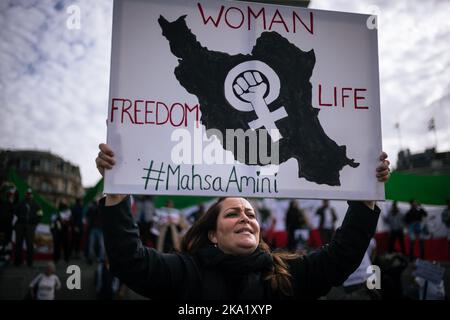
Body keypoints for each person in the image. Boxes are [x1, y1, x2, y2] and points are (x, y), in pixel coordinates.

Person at [95, 143, 390, 299]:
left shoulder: (285, 273)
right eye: (233, 213)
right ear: (212, 234)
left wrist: (365, 197)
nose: (246, 218)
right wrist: (118, 193)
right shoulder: (187, 272)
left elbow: (342, 257)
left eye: (250, 213)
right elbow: (129, 262)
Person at [14, 188, 43, 267]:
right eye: (27, 194)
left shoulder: (36, 204)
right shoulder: (20, 203)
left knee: (30, 245)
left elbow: (40, 214)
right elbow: (15, 213)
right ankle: (17, 262)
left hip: (30, 227)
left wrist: (34, 223)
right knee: (18, 244)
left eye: (30, 194)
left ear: (32, 195)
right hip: (20, 226)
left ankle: (29, 262)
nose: (28, 195)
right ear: (25, 194)